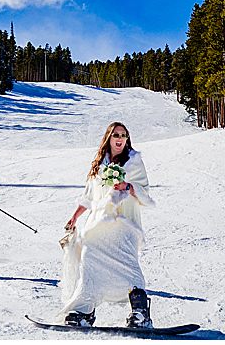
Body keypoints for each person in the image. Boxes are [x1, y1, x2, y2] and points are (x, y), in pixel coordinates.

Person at [59, 121, 154, 328]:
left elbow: (145, 191)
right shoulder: (99, 163)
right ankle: (85, 311)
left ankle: (140, 312)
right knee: (89, 259)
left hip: (124, 221)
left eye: (123, 135)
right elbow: (89, 195)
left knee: (127, 262)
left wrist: (128, 186)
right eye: (116, 135)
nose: (120, 139)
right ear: (108, 138)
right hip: (99, 223)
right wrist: (75, 217)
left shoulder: (134, 160)